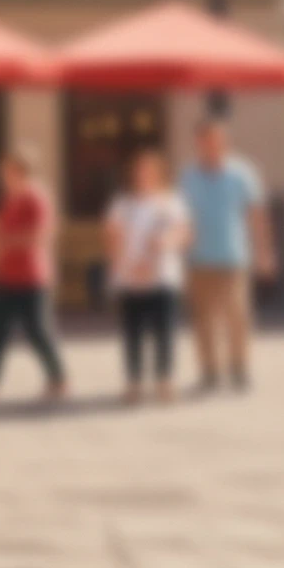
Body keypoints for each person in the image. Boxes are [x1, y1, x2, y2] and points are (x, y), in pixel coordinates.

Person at [179, 117, 275, 391]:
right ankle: (210, 372)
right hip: (198, 259)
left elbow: (257, 215)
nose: (212, 144)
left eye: (217, 139)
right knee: (203, 320)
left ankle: (239, 368)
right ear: (199, 142)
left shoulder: (242, 174)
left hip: (233, 257)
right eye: (206, 139)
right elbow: (180, 217)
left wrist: (264, 252)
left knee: (237, 316)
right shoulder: (188, 176)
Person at [0, 146, 67, 402]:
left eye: (7, 169)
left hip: (31, 277)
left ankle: (58, 378)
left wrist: (5, 242)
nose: (2, 174)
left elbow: (41, 236)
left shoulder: (36, 197)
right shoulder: (8, 199)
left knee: (38, 330)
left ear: (20, 170)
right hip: (4, 276)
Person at [104, 148, 191, 403]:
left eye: (149, 170)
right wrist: (122, 266)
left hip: (162, 276)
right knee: (132, 332)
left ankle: (165, 380)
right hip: (130, 277)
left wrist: (165, 242)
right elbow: (112, 238)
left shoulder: (171, 202)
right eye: (139, 170)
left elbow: (182, 232)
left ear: (159, 173)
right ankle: (134, 382)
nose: (144, 175)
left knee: (164, 331)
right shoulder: (122, 204)